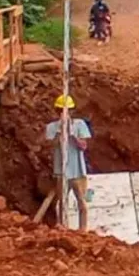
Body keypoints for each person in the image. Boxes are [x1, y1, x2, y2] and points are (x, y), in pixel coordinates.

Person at [45, 94, 92, 232]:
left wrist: (73, 135)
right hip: (61, 170)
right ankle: (62, 227)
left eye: (67, 110)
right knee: (61, 202)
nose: (64, 113)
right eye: (61, 110)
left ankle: (82, 229)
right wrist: (60, 132)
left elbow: (83, 146)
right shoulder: (51, 127)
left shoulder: (79, 125)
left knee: (82, 201)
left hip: (77, 170)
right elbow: (50, 145)